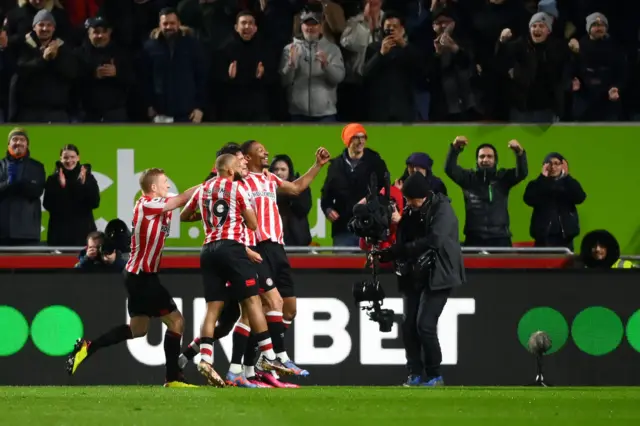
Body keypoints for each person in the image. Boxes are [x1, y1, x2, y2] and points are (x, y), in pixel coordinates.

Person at [66, 168, 200, 388]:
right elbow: (182, 199)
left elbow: (184, 205)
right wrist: (212, 184)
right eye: (165, 182)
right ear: (153, 188)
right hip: (143, 277)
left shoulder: (159, 206)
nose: (168, 186)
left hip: (136, 276)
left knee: (139, 329)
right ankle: (173, 378)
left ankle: (88, 347)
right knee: (177, 322)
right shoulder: (147, 204)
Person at [186, 153, 295, 388]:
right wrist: (239, 220)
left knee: (213, 308)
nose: (239, 168)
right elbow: (253, 223)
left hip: (207, 250)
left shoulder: (203, 189)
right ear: (228, 170)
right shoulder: (237, 189)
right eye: (236, 165)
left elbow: (185, 215)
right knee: (253, 301)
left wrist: (208, 217)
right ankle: (267, 354)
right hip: (233, 249)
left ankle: (205, 357)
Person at [234, 140, 330, 385]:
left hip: (278, 247)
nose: (266, 152)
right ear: (246, 156)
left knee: (289, 308)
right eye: (260, 150)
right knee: (266, 305)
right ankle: (274, 357)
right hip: (257, 247)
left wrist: (317, 166)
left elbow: (297, 188)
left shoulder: (269, 179)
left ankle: (255, 364)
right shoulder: (240, 181)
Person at [374, 173, 466, 387]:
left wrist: (402, 250)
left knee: (424, 324)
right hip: (414, 275)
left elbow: (435, 239)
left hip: (440, 275)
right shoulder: (411, 211)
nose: (407, 203)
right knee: (408, 326)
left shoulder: (443, 209)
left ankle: (435, 375)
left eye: (410, 199)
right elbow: (405, 239)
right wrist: (390, 253)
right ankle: (414, 373)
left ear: (421, 196)